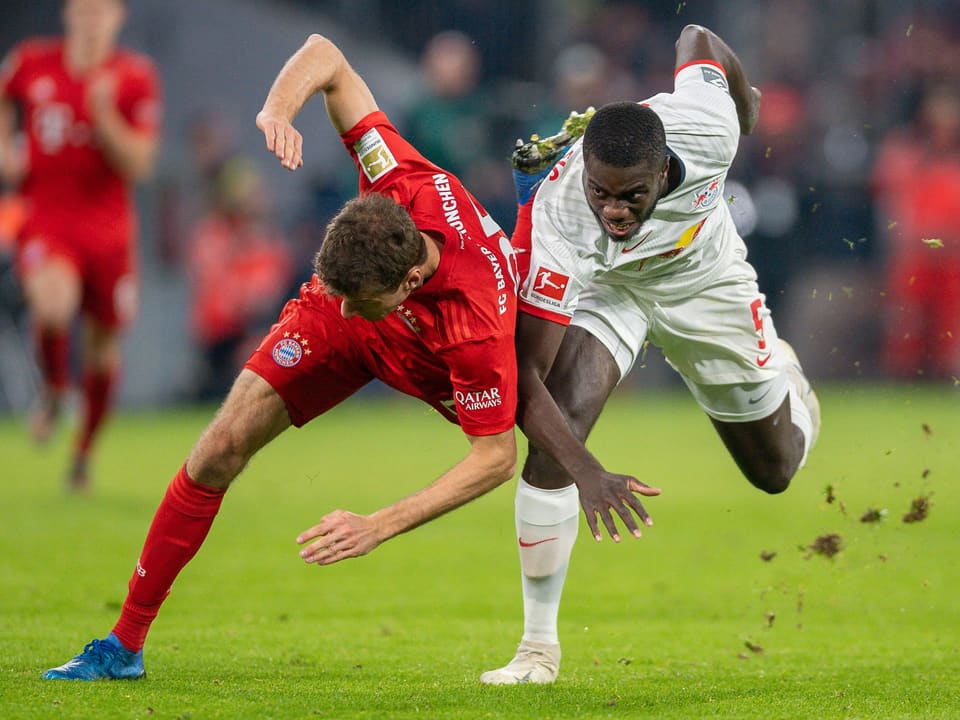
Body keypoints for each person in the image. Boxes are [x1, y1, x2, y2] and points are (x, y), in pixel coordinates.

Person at [41, 33, 519, 681]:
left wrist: (379, 524)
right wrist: (276, 111)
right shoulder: (392, 176)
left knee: (544, 434)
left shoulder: (474, 321)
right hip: (352, 312)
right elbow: (327, 56)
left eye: (361, 301)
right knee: (216, 450)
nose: (348, 311)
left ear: (408, 284)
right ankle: (124, 643)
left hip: (430, 352)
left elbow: (493, 458)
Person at [480, 24, 821, 685]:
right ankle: (536, 650)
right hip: (611, 289)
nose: (612, 210)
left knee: (774, 471)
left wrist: (742, 101)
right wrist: (589, 472)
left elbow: (697, 37)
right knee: (560, 426)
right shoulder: (561, 215)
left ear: (663, 171)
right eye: (599, 191)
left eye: (630, 195)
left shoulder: (707, 123)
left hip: (704, 278)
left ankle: (786, 380)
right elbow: (523, 381)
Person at [0, 0, 162, 490]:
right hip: (48, 217)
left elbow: (139, 165)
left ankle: (83, 454)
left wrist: (103, 114)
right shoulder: (31, 62)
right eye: (83, 11)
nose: (92, 21)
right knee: (52, 306)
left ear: (118, 18)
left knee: (102, 350)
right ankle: (52, 390)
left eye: (101, 12)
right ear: (68, 14)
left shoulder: (133, 77)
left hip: (109, 232)